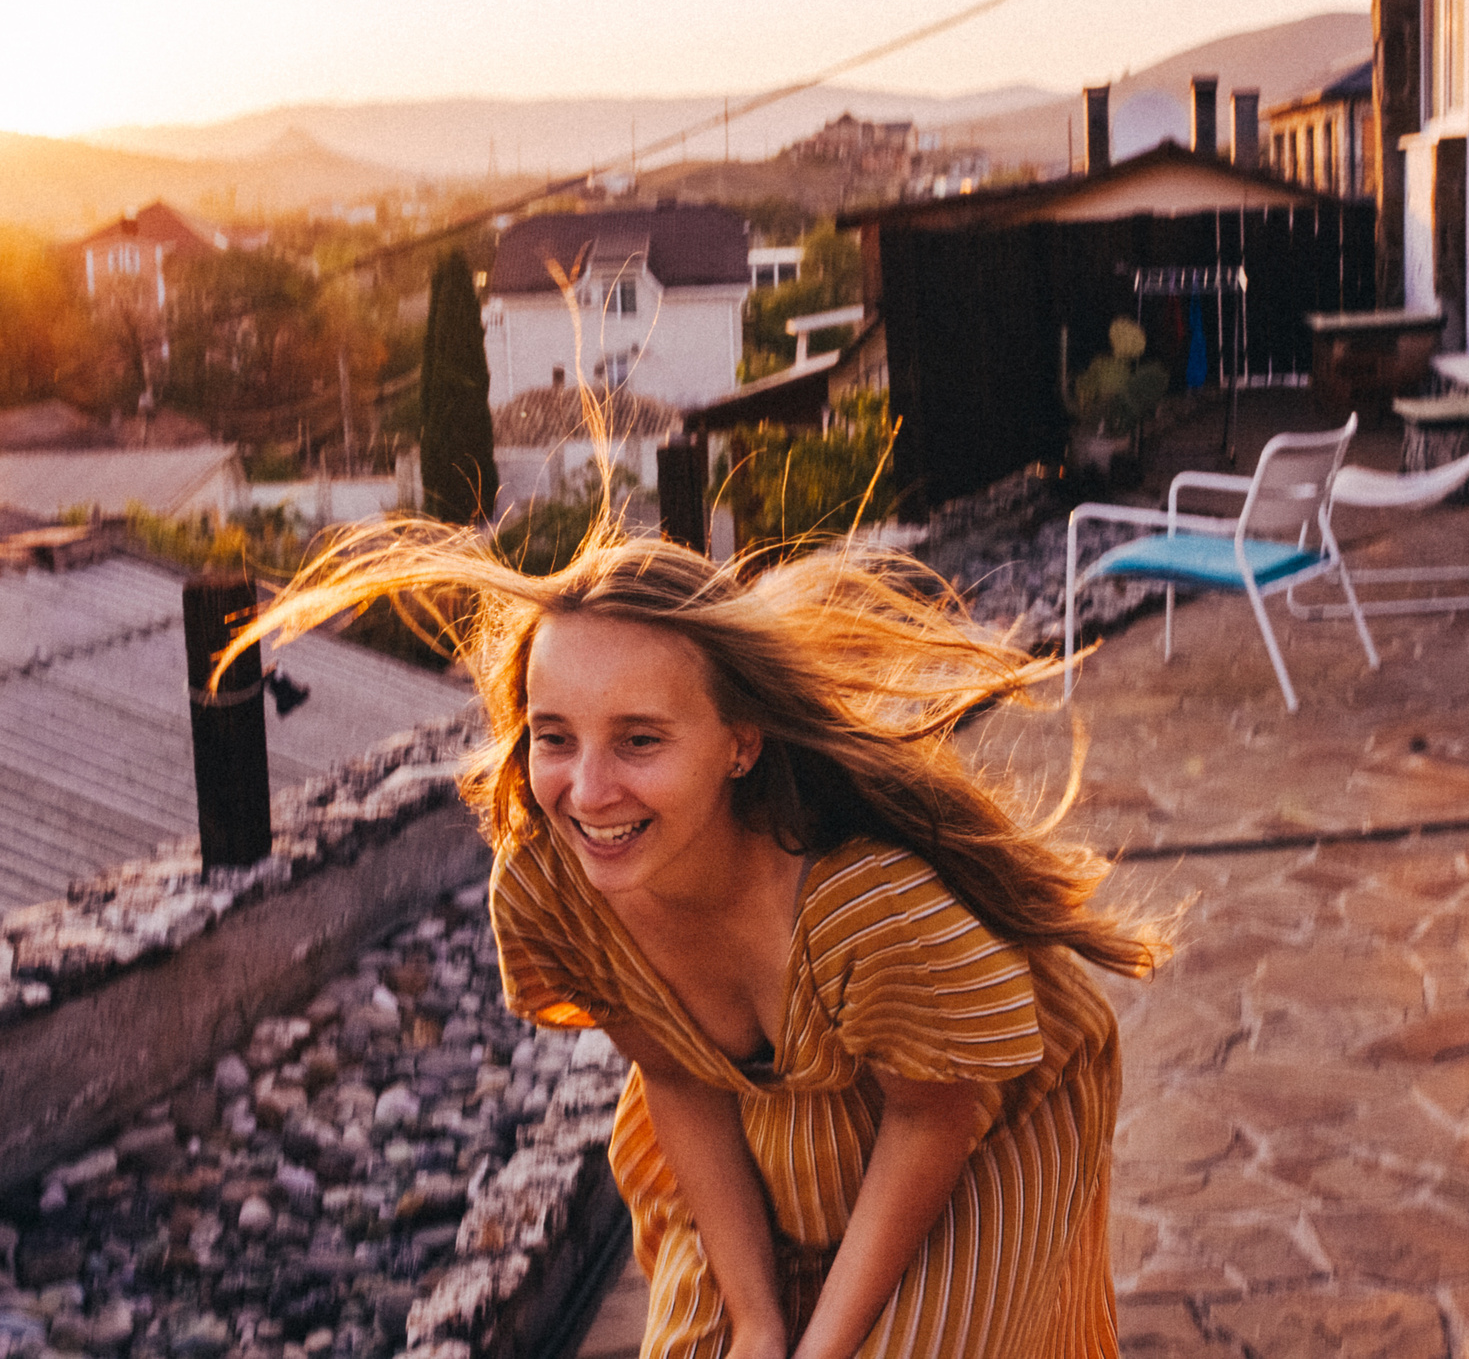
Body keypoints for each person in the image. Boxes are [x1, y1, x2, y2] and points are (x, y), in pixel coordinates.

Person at [238, 516, 1160, 1359]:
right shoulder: (553, 889)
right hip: (766, 1128)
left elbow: (933, 1116)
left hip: (984, 1105)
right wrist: (757, 1322)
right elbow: (674, 1066)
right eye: (554, 736)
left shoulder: (861, 902)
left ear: (741, 742)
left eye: (639, 740)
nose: (588, 793)